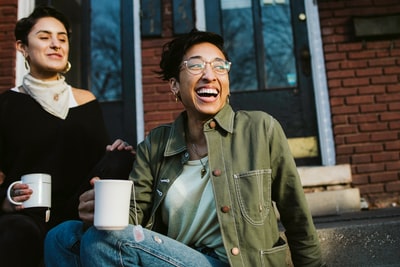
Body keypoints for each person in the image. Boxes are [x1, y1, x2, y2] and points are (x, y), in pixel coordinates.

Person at [44, 29, 323, 266]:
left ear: (226, 81)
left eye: (219, 66)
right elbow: (133, 217)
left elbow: (296, 215)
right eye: (196, 65)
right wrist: (100, 209)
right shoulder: (156, 144)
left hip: (237, 261)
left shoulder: (261, 129)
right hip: (176, 257)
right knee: (61, 235)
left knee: (102, 241)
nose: (209, 75)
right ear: (175, 86)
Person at [0, 6, 134, 267]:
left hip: (79, 209)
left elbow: (99, 163)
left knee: (119, 156)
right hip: (28, 214)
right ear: (22, 47)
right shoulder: (7, 104)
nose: (55, 44)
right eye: (44, 37)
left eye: (62, 38)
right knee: (15, 233)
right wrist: (6, 198)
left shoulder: (87, 101)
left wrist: (115, 154)